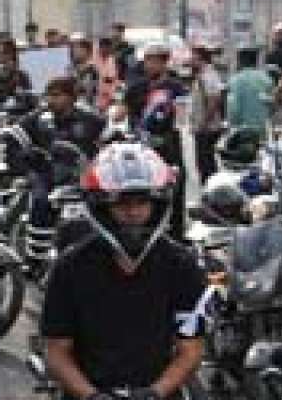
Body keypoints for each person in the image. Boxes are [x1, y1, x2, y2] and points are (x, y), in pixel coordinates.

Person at [42, 142, 207, 400]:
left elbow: (191, 349)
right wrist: (91, 395)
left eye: (142, 202)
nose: (133, 212)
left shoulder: (181, 265)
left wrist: (155, 392)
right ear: (102, 207)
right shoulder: (70, 268)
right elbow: (56, 351)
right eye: (122, 203)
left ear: (158, 205)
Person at [14, 76, 105, 272]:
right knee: (40, 201)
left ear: (71, 97)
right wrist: (27, 164)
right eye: (49, 95)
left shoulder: (91, 119)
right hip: (47, 175)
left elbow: (111, 138)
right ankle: (35, 259)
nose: (51, 100)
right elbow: (14, 135)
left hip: (82, 177)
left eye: (57, 95)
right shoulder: (39, 118)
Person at [122, 41, 188, 239]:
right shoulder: (136, 87)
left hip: (168, 146)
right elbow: (127, 115)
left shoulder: (176, 87)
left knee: (174, 189)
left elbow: (182, 118)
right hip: (142, 148)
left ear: (164, 62)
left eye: (155, 60)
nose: (150, 65)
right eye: (148, 60)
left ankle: (176, 235)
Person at [187, 45, 224, 183]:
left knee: (206, 163)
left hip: (207, 128)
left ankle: (212, 189)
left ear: (199, 58)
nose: (190, 59)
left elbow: (214, 99)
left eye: (193, 56)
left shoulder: (208, 76)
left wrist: (204, 122)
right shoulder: (202, 75)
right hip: (203, 127)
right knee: (204, 162)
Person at [225, 47, 273, 133]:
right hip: (262, 129)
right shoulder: (266, 79)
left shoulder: (236, 80)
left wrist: (231, 124)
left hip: (242, 130)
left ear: (241, 61)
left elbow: (234, 108)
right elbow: (270, 104)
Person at [68, 33, 101, 109]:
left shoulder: (92, 70)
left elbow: (89, 92)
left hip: (85, 107)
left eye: (78, 48)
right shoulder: (69, 69)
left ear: (88, 51)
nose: (75, 51)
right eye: (73, 48)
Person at [93, 37, 121, 113]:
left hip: (109, 94)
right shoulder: (94, 59)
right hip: (95, 93)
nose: (104, 49)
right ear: (100, 47)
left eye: (107, 47)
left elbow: (114, 78)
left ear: (110, 48)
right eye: (102, 47)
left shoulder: (113, 60)